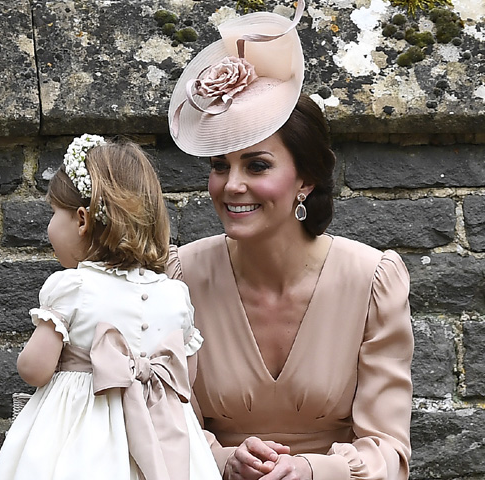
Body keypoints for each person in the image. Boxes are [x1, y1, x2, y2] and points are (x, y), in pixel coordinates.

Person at [166, 2, 414, 479]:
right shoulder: (180, 277)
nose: (231, 185)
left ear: (306, 179)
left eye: (256, 165)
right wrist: (223, 461)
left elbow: (389, 450)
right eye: (220, 165)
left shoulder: (372, 280)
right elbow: (164, 426)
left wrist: (314, 471)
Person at [0, 135, 220, 480]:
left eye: (54, 213)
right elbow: (185, 378)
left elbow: (35, 369)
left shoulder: (72, 288)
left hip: (80, 438)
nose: (50, 225)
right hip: (162, 431)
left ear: (82, 220)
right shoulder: (175, 295)